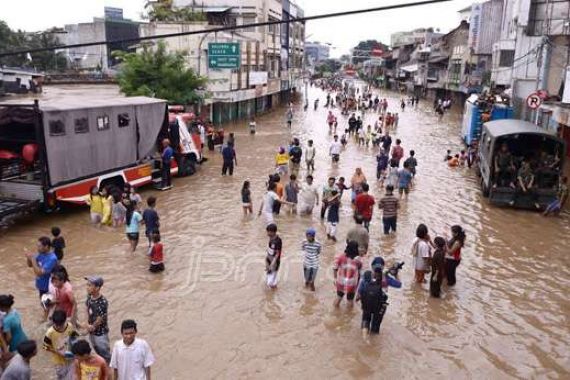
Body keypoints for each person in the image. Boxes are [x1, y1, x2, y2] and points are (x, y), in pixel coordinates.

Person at [81, 276, 111, 364]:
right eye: (87, 285)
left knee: (105, 354)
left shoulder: (103, 302)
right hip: (91, 331)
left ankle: (111, 371)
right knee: (97, 351)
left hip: (100, 334)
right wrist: (86, 323)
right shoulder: (89, 296)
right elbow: (86, 307)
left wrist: (90, 327)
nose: (87, 287)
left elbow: (100, 319)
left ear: (97, 288)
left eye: (90, 285)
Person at [43, 309, 77, 380]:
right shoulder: (50, 332)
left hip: (71, 359)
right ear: (53, 322)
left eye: (60, 325)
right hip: (59, 361)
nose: (58, 327)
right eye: (56, 325)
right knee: (61, 376)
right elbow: (45, 346)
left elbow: (74, 338)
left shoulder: (70, 326)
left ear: (65, 321)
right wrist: (57, 352)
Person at [333, 241, 362, 308]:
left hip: (341, 281)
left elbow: (335, 268)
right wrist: (358, 283)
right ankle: (349, 315)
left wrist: (335, 278)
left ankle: (334, 311)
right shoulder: (358, 260)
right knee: (350, 299)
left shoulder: (341, 257)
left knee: (339, 297)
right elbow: (360, 272)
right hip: (352, 283)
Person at [359, 269, 388, 337]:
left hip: (366, 305)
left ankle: (364, 338)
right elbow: (398, 285)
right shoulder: (384, 283)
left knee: (365, 320)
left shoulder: (365, 280)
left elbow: (360, 294)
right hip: (378, 308)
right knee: (375, 326)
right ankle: (373, 339)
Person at [265, 224, 282, 289]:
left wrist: (272, 264)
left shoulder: (278, 241)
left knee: (269, 283)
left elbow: (277, 254)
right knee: (270, 278)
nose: (267, 233)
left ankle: (271, 295)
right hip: (269, 260)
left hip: (275, 262)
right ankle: (274, 290)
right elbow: (269, 251)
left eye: (268, 232)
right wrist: (266, 261)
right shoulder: (271, 239)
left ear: (273, 232)